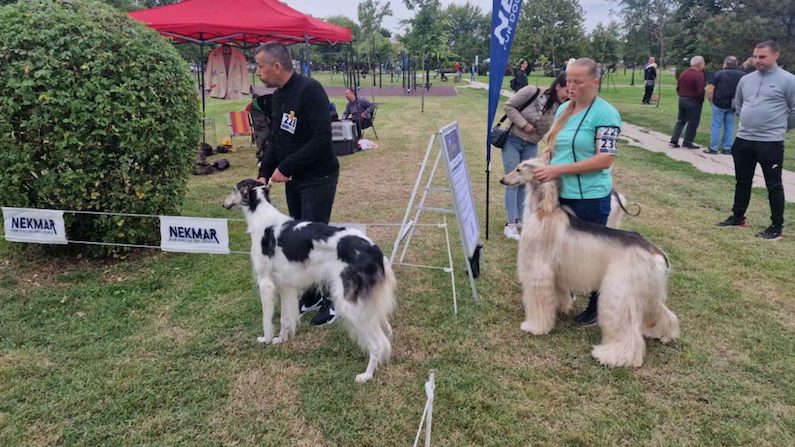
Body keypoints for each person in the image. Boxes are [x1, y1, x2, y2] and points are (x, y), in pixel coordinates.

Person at [254, 42, 340, 325]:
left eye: (260, 66)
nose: (257, 72)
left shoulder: (310, 90)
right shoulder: (279, 96)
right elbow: (278, 140)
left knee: (316, 240)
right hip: (296, 180)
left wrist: (286, 167)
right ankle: (313, 293)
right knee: (299, 240)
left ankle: (331, 300)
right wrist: (266, 172)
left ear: (276, 66)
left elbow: (321, 140)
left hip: (318, 177)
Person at [533, 58, 622, 327]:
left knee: (594, 252)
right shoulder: (563, 109)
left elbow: (604, 159)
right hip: (562, 193)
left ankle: (598, 305)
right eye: (568, 80)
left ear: (595, 82)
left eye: (578, 81)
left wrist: (558, 171)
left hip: (590, 196)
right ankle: (564, 295)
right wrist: (547, 157)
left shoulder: (606, 114)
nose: (571, 86)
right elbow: (552, 144)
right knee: (565, 248)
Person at [716, 41, 795, 241]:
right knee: (742, 181)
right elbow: (740, 105)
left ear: (776, 55)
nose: (757, 60)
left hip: (770, 142)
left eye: (762, 57)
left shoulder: (788, 80)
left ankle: (776, 226)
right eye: (755, 56)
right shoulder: (746, 80)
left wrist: (779, 127)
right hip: (744, 139)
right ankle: (738, 216)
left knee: (773, 185)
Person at [501, 73, 569, 240]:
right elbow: (509, 106)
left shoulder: (562, 108)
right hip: (513, 141)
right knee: (512, 181)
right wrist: (524, 124)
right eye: (566, 90)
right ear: (558, 86)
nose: (568, 95)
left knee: (528, 182)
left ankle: (521, 219)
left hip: (531, 145)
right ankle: (510, 224)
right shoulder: (532, 91)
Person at [705, 55, 744, 155]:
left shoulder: (719, 74)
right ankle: (727, 148)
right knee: (730, 126)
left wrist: (711, 99)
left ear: (726, 63)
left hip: (719, 102)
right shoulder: (742, 75)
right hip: (733, 104)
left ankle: (714, 148)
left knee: (716, 125)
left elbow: (711, 89)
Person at [669, 56, 706, 149]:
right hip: (693, 100)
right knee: (693, 122)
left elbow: (678, 87)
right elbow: (701, 90)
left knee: (681, 120)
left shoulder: (684, 73)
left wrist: (681, 95)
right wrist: (701, 100)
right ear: (700, 64)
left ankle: (674, 139)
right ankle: (688, 141)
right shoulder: (699, 75)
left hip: (682, 98)